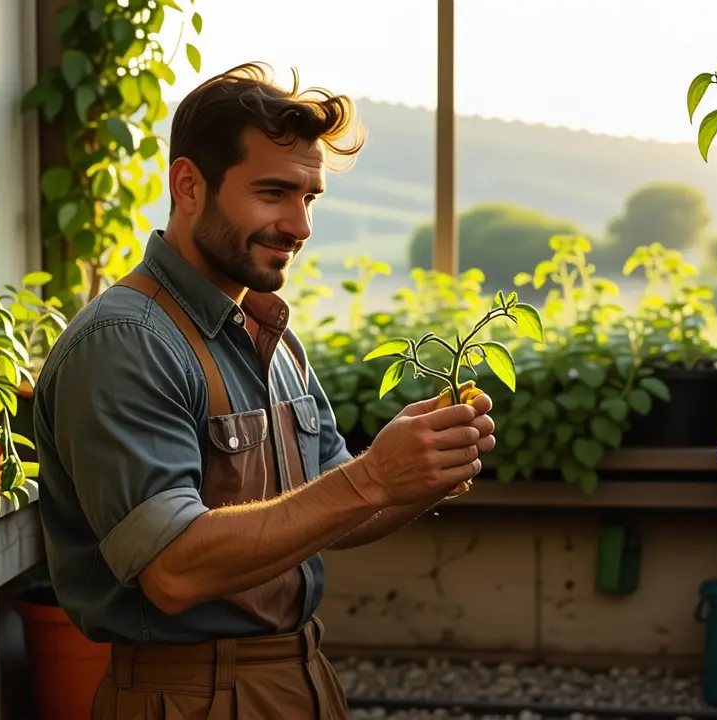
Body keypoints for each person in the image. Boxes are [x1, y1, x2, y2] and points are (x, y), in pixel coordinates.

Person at [32, 62, 497, 720]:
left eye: (309, 198)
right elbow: (172, 570)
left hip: (297, 677)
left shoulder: (266, 333)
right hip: (189, 696)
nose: (300, 225)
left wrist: (417, 471)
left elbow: (334, 509)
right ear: (188, 185)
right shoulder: (126, 342)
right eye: (274, 193)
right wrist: (372, 478)